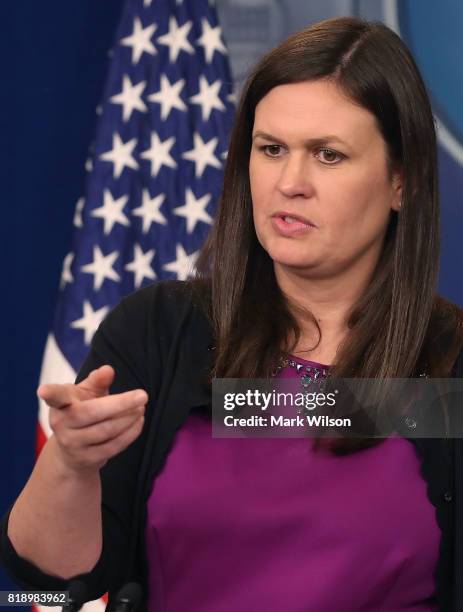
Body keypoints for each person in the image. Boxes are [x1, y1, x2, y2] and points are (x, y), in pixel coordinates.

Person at [2, 15, 463, 612]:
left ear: (401, 181)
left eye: (328, 155)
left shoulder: (449, 364)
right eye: (271, 149)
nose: (290, 182)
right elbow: (43, 588)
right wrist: (71, 463)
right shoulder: (160, 331)